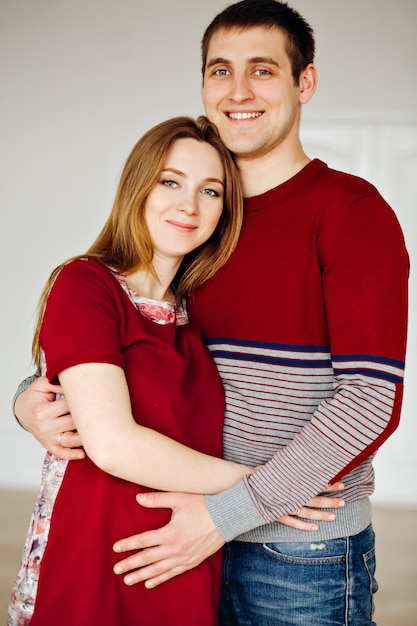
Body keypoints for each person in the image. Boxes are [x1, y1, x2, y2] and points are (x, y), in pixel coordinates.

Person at [13, 1, 409, 624]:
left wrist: (234, 508)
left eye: (263, 70)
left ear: (304, 82)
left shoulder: (351, 213)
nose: (239, 90)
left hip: (295, 552)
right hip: (184, 535)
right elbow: (134, 343)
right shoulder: (199, 234)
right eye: (220, 70)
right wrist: (33, 397)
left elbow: (368, 399)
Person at [9, 115, 254, 626]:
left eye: (211, 191)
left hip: (186, 550)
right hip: (97, 553)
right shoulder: (86, 283)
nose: (188, 205)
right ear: (138, 187)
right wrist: (264, 489)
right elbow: (113, 443)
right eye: (171, 182)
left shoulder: (202, 310)